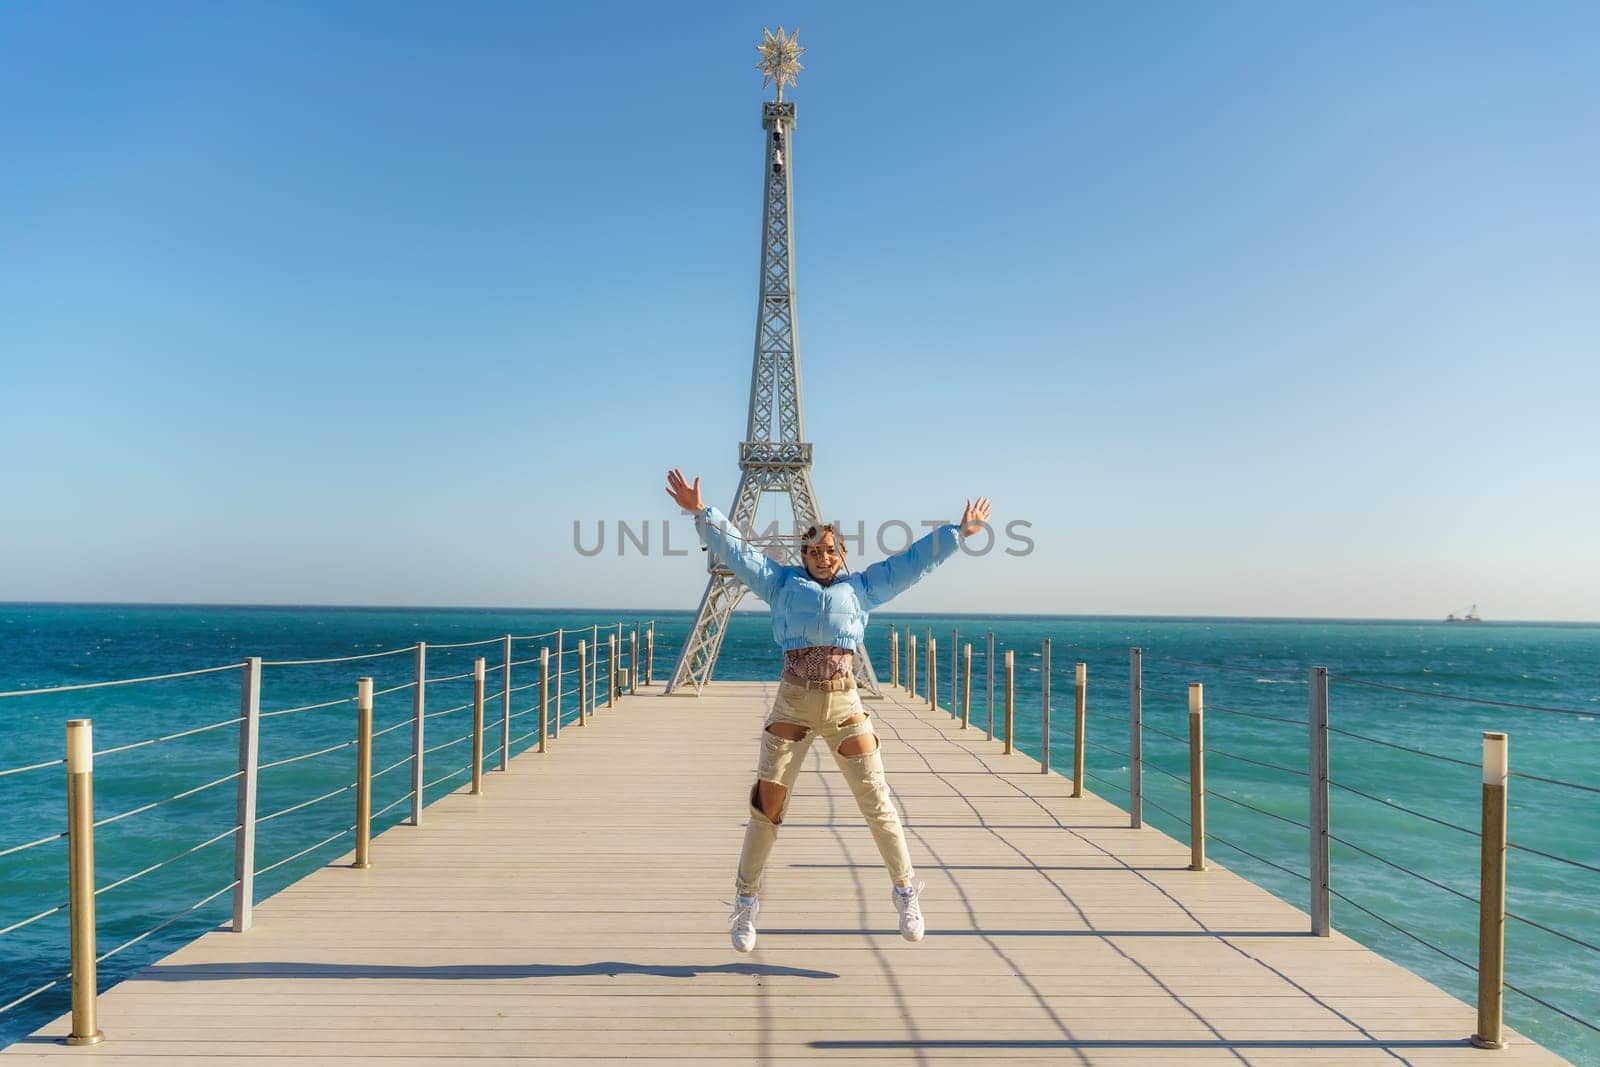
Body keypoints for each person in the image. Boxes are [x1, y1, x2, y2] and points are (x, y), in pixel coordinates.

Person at [665, 468, 992, 952]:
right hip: (793, 703)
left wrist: (956, 534)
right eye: (814, 551)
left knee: (876, 800)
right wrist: (701, 513)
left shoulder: (862, 588)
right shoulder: (779, 584)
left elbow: (910, 563)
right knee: (766, 808)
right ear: (804, 555)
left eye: (830, 550)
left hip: (845, 704)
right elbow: (739, 551)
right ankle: (746, 902)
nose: (822, 557)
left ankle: (905, 891)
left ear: (842, 554)